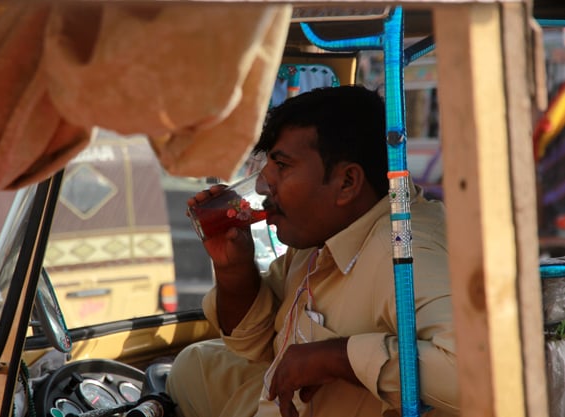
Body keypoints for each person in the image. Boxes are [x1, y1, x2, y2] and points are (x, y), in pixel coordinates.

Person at [165, 85, 458, 417]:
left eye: (282, 166)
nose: (262, 185)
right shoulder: (319, 237)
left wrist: (337, 358)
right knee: (196, 366)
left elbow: (475, 373)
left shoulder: (406, 249)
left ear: (347, 182)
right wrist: (234, 271)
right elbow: (255, 343)